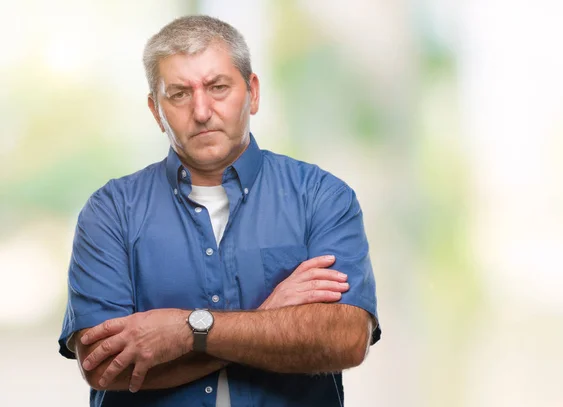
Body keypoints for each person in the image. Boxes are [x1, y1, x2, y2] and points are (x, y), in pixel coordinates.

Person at [58, 15, 380, 407]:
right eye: (178, 93)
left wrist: (187, 330)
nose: (202, 110)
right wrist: (268, 317)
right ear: (155, 110)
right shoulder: (110, 212)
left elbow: (344, 339)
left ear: (253, 92)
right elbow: (102, 364)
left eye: (218, 87)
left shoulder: (321, 197)